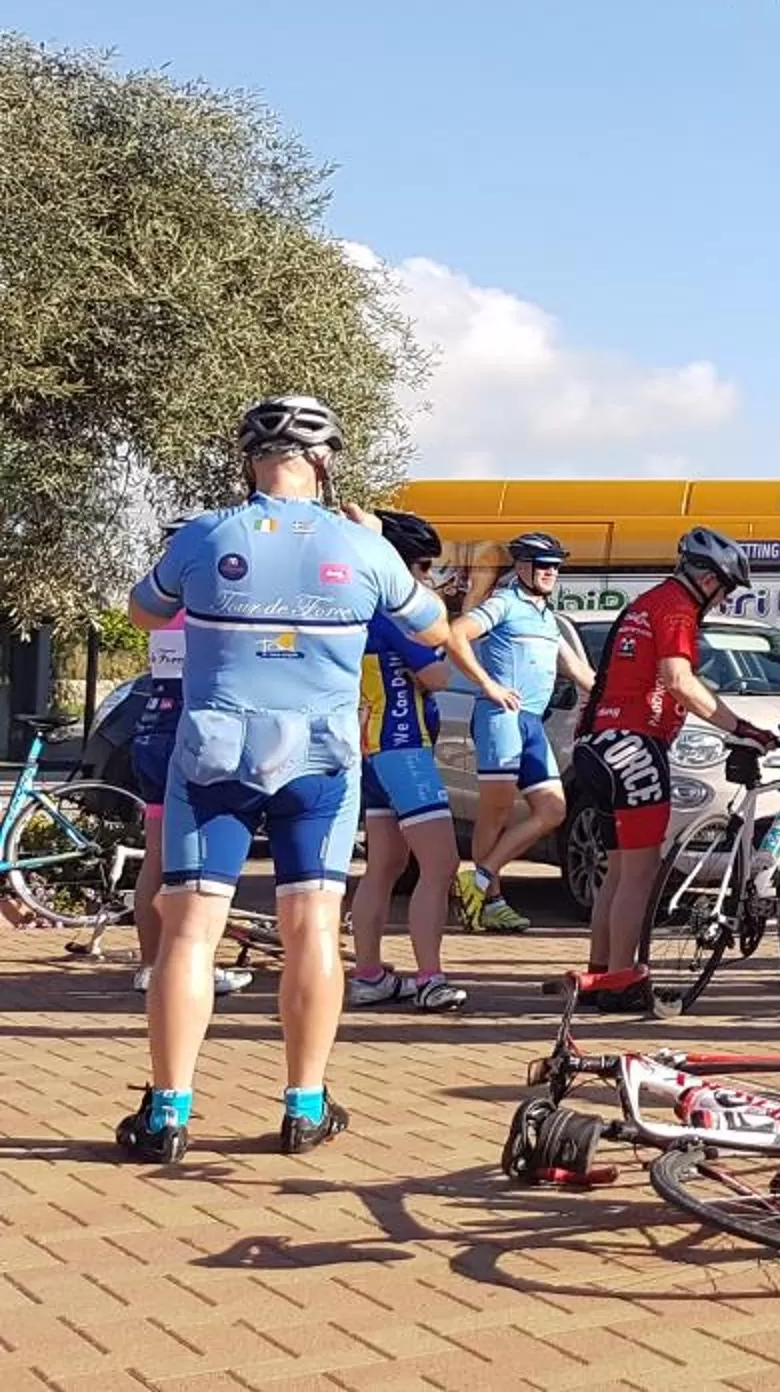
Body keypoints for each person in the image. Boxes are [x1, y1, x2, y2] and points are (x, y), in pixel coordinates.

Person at [116, 395, 454, 1162]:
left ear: (250, 459)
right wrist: (378, 552)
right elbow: (433, 626)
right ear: (324, 460)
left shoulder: (208, 534)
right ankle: (304, 1105)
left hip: (215, 752)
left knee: (190, 931)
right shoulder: (361, 546)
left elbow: (143, 612)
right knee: (312, 930)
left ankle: (168, 1114)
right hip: (320, 759)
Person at [563, 527, 776, 1015]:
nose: (722, 601)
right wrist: (740, 726)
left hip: (598, 744)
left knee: (617, 873)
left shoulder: (646, 602)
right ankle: (622, 982)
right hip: (635, 745)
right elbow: (679, 680)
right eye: (724, 590)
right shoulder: (677, 608)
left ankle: (601, 973)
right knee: (640, 875)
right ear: (707, 579)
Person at [347, 510, 506, 1014]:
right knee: (440, 865)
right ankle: (430, 978)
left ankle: (368, 974)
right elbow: (437, 677)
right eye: (421, 566)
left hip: (371, 750)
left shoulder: (358, 608)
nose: (427, 577)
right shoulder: (395, 614)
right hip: (405, 748)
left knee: (384, 865)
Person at [113, 518, 249, 997]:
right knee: (200, 862)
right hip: (193, 735)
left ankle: (152, 964)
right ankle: (193, 966)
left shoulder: (162, 606)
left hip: (154, 728)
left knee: (158, 856)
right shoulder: (206, 603)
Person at [447, 532, 596, 935]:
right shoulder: (504, 602)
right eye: (542, 565)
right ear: (522, 566)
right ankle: (489, 902)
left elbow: (580, 672)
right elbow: (456, 634)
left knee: (553, 810)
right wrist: (488, 685)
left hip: (531, 722)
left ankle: (479, 879)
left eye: (556, 567)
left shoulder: (547, 617)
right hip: (500, 717)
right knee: (494, 814)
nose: (550, 573)